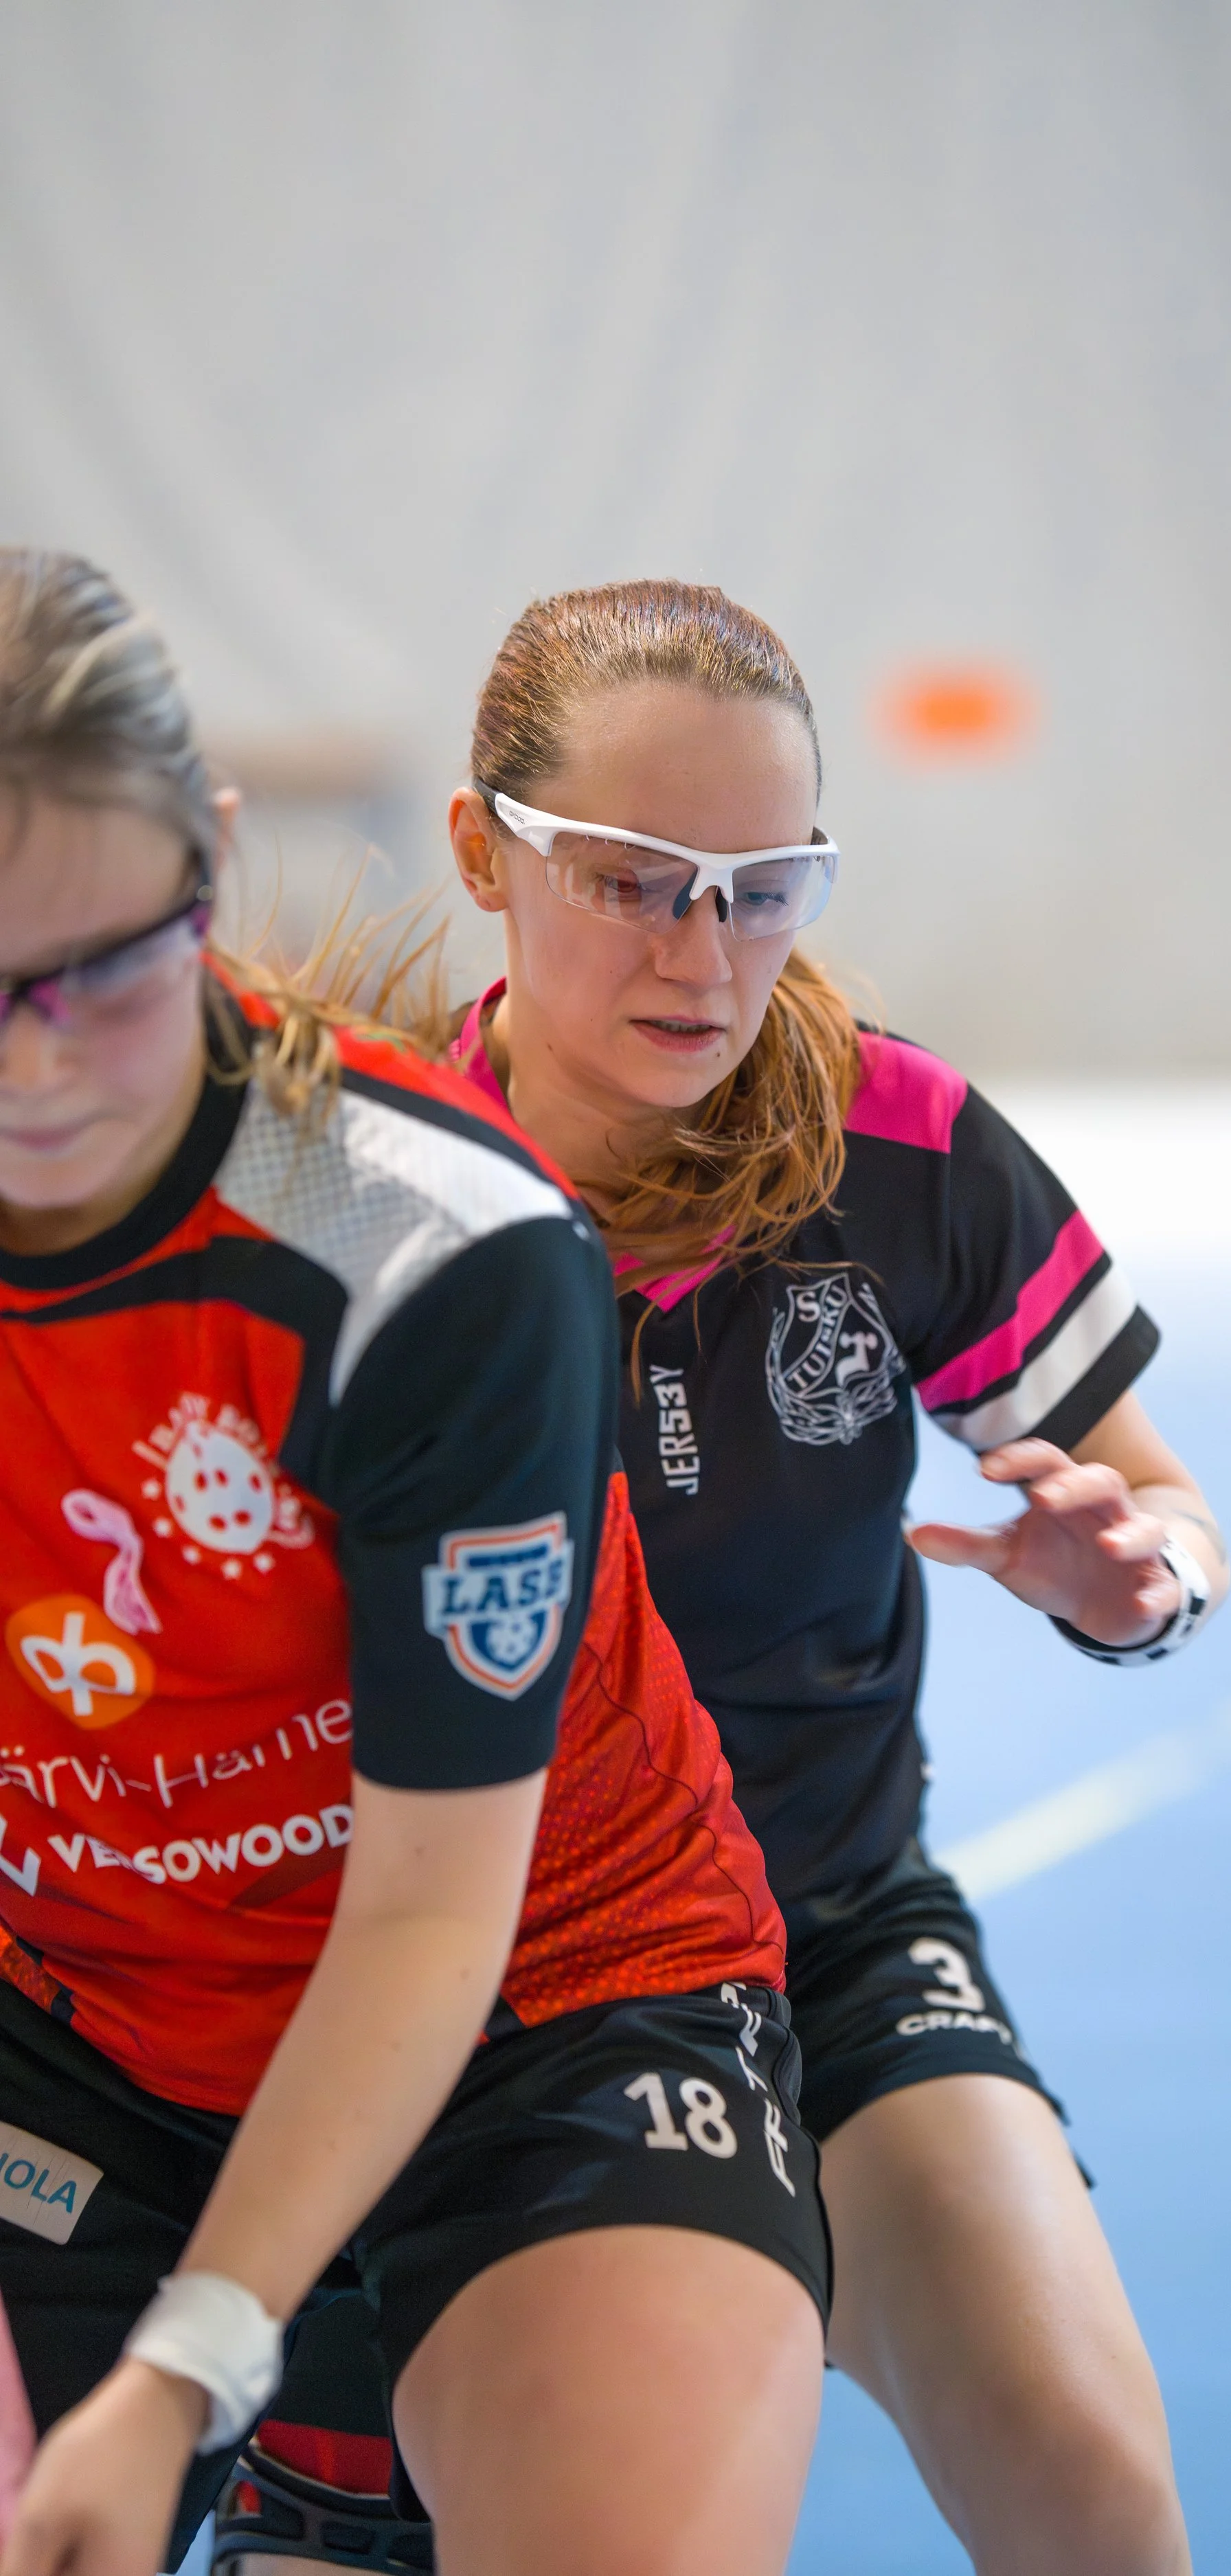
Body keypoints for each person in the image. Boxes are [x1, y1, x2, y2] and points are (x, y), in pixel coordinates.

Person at [224, 578, 1229, 2576]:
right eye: (633, 878)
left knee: (1091, 2486)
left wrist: (1134, 1582)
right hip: (444, 1988)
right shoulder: (336, 1184)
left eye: (766, 885)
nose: (705, 951)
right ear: (479, 856)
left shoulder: (902, 1142)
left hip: (831, 1926)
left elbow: (1163, 1505)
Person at [0, 552, 830, 2576]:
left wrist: (199, 2351)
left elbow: (422, 1919)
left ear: (211, 859)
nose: (36, 1070)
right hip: (84, 2019)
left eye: (102, 970)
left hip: (549, 2000)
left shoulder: (426, 1244)